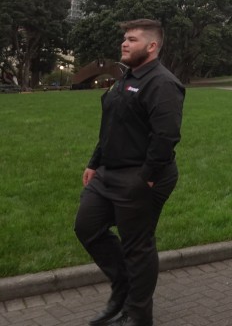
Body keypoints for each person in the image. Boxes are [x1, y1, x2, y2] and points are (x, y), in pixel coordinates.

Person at [75, 19, 183, 326]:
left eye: (132, 39)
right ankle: (122, 290)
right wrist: (94, 162)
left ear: (151, 46)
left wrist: (147, 177)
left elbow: (166, 136)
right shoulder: (125, 77)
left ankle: (138, 314)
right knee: (88, 228)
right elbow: (111, 125)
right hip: (108, 173)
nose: (124, 43)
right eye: (124, 38)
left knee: (138, 246)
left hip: (141, 176)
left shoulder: (161, 83)